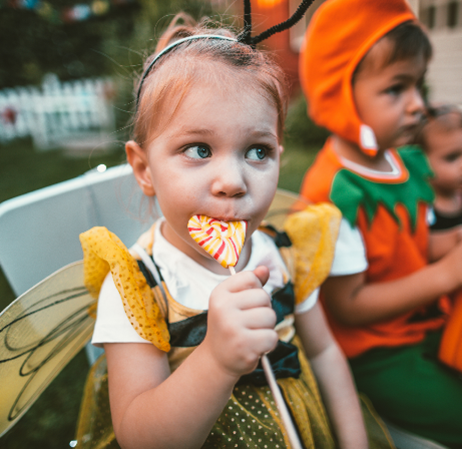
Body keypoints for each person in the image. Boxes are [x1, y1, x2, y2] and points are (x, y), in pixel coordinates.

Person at [76, 10, 395, 449]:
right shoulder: (139, 286)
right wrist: (217, 360)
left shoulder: (283, 255)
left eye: (258, 151)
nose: (233, 181)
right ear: (144, 168)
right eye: (199, 149)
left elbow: (322, 353)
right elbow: (139, 437)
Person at [298, 0, 462, 447]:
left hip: (429, 326)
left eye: (417, 86)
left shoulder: (404, 164)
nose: (418, 106)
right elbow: (350, 304)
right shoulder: (338, 194)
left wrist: (451, 245)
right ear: (340, 93)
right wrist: (445, 274)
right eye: (396, 89)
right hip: (379, 356)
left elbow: (417, 245)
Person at [417, 105, 462, 262]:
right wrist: (455, 238)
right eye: (452, 158)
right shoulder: (423, 204)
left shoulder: (458, 194)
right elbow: (421, 249)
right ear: (420, 161)